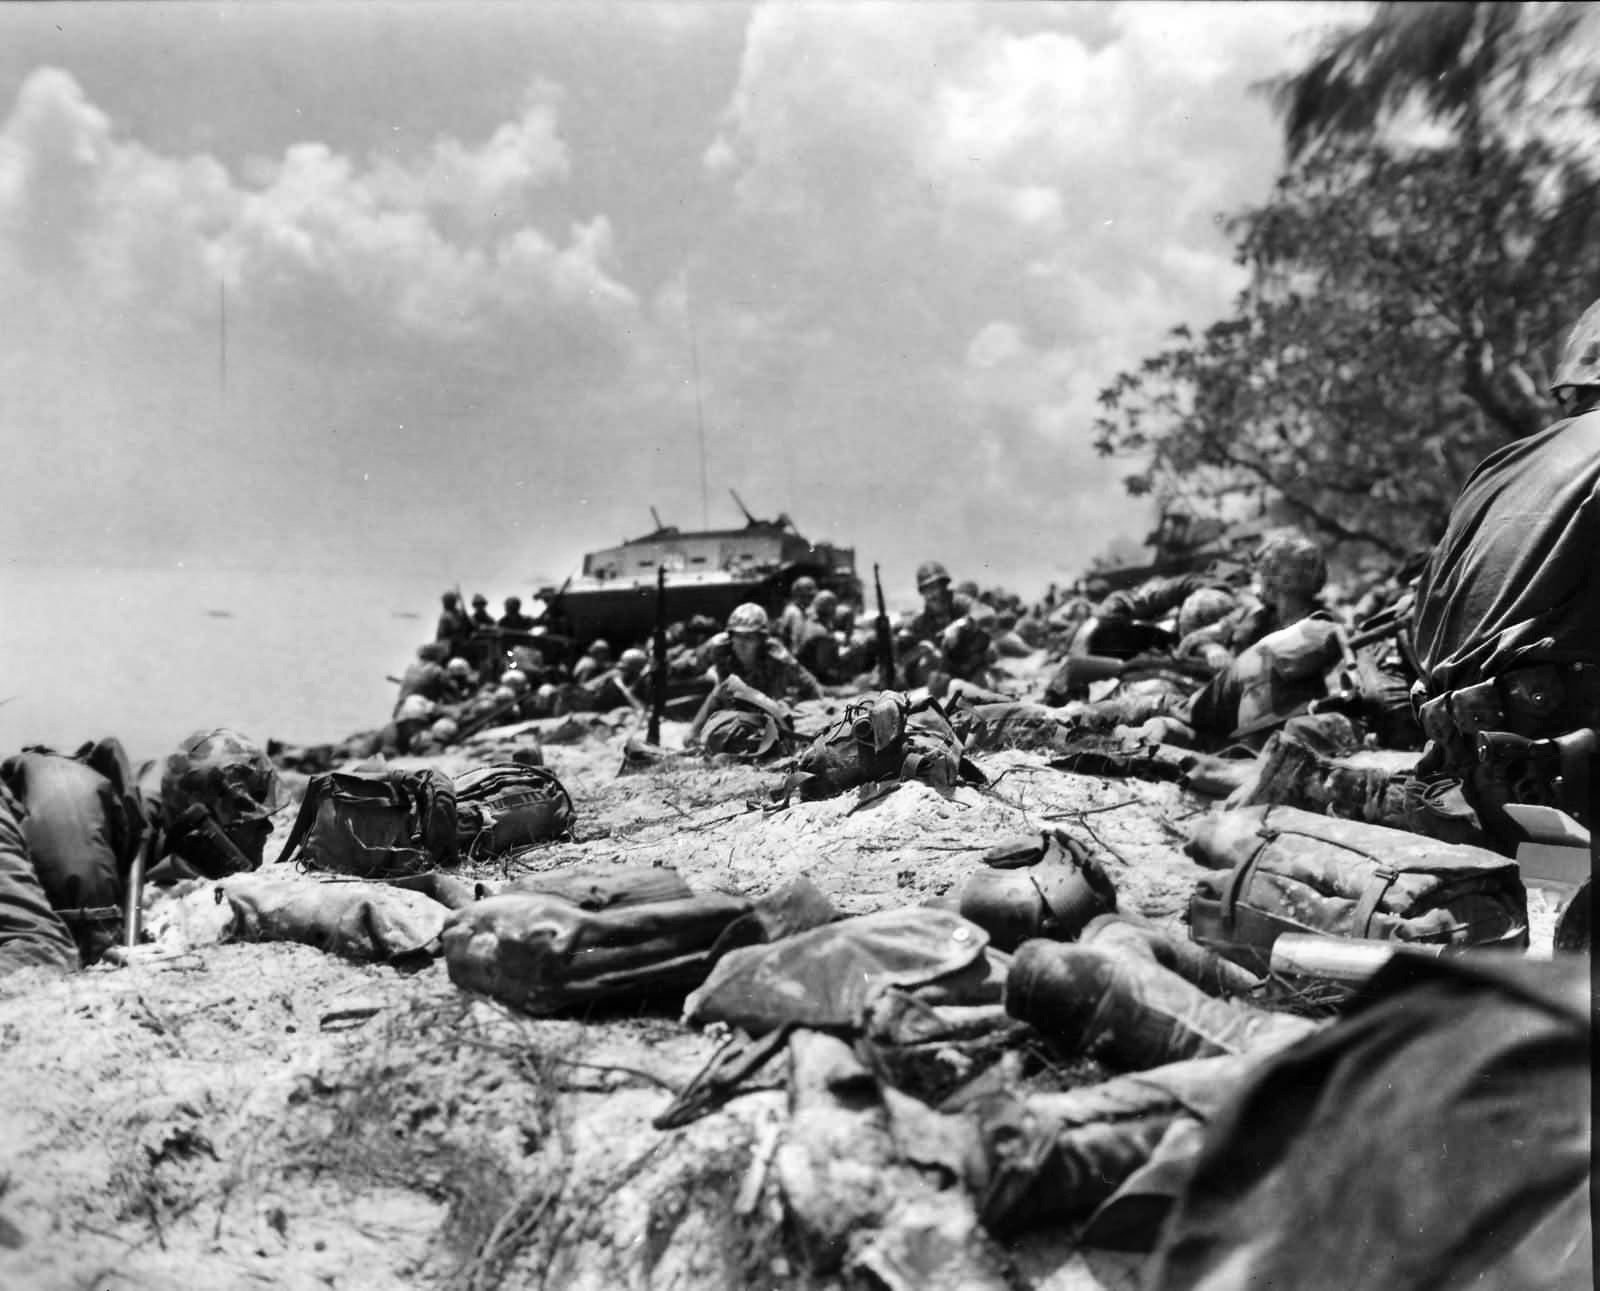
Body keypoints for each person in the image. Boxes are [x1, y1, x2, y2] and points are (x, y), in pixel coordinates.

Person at [1409, 298, 1600, 870]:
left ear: (1568, 390)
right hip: (1571, 786)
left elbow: (1422, 630)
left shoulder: (1495, 470)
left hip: (1478, 788)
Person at [687, 603, 822, 747]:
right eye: (738, 636)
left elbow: (809, 684)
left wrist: (810, 712)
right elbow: (691, 665)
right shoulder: (717, 647)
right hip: (726, 701)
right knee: (689, 740)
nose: (741, 643)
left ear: (761, 640)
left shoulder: (778, 657)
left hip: (766, 706)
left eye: (749, 637)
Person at [776, 576, 818, 655]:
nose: (812, 599)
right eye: (808, 596)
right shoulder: (794, 613)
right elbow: (796, 646)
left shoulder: (802, 609)